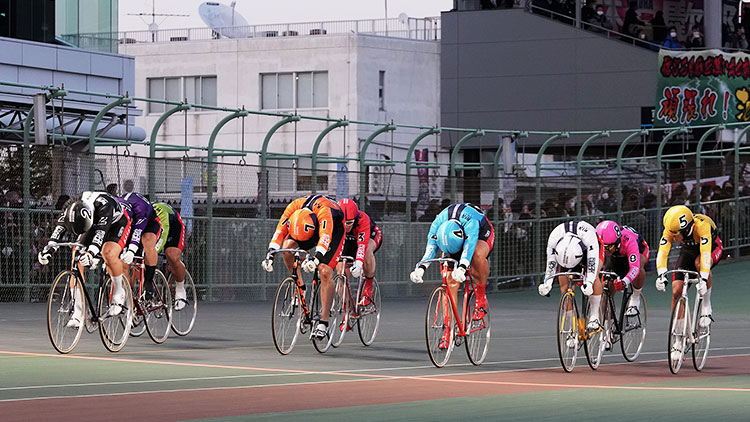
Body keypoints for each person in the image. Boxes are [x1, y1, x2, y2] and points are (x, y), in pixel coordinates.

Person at [38, 192, 132, 327]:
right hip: (91, 225)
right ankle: (78, 313)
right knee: (75, 257)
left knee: (109, 253)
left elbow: (101, 233)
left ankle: (118, 292)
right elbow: (58, 230)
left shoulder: (104, 206)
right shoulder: (69, 207)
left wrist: (91, 253)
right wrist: (48, 250)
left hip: (117, 223)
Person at [410, 203, 495, 349]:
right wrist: (421, 268)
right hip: (451, 242)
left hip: (480, 233)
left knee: (477, 256)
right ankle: (448, 330)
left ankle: (481, 298)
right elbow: (430, 250)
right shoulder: (437, 224)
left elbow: (469, 245)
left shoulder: (471, 223)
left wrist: (462, 267)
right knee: (450, 283)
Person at [262, 194, 346, 340]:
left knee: (324, 270)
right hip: (303, 229)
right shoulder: (293, 208)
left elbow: (325, 238)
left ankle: (323, 322)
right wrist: (270, 255)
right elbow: (279, 232)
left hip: (333, 230)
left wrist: (316, 260)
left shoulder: (324, 211)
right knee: (287, 247)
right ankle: (300, 284)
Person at [655, 205, 722, 361]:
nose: (672, 236)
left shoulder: (702, 227)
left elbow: (705, 255)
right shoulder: (671, 229)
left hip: (711, 248)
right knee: (676, 290)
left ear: (685, 230)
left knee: (700, 264)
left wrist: (704, 279)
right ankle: (678, 341)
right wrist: (661, 275)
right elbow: (662, 252)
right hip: (688, 251)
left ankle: (706, 306)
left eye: (675, 233)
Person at [538, 220, 603, 331]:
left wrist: (589, 282)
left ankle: (594, 316)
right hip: (566, 256)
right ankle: (572, 327)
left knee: (595, 275)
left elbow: (592, 266)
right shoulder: (554, 238)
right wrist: (547, 283)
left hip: (590, 249)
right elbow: (551, 263)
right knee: (564, 285)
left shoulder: (590, 238)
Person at [595, 221, 648, 316]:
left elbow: (635, 268)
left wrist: (625, 281)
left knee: (639, 267)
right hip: (615, 256)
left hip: (637, 251)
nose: (605, 251)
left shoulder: (629, 240)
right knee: (606, 291)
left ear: (617, 242)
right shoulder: (606, 244)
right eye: (602, 247)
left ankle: (635, 298)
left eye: (608, 247)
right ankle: (610, 325)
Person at [337, 198, 382, 308]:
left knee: (366, 251)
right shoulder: (334, 219)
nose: (346, 226)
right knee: (340, 272)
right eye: (344, 223)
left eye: (349, 223)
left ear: (355, 219)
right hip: (348, 240)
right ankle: (348, 310)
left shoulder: (363, 219)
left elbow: (362, 245)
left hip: (370, 236)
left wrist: (358, 264)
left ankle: (368, 287)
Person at [118, 192, 161, 300]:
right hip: (130, 224)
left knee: (148, 242)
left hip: (149, 223)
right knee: (123, 265)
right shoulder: (116, 207)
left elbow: (138, 231)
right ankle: (129, 298)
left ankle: (148, 282)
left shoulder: (140, 209)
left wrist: (131, 250)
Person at [153, 202, 188, 310]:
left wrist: (153, 252)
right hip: (153, 228)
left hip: (172, 226)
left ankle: (180, 288)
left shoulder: (161, 214)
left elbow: (162, 237)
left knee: (171, 255)